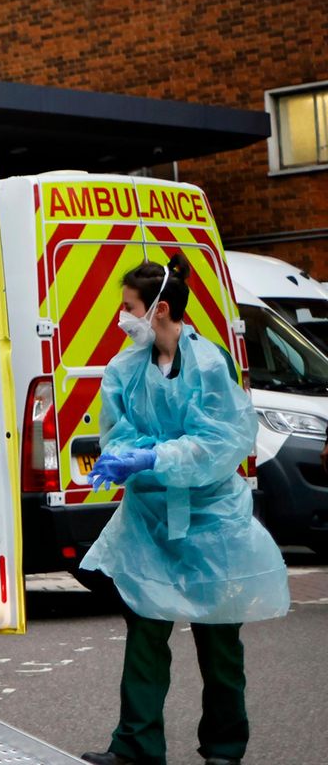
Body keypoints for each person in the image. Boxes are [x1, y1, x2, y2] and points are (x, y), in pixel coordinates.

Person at [77, 256, 289, 765]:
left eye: (128, 307)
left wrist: (152, 455)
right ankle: (135, 746)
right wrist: (136, 454)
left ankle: (223, 748)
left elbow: (217, 445)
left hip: (211, 520)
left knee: (219, 640)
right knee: (145, 630)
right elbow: (119, 432)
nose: (122, 317)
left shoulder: (210, 365)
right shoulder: (125, 368)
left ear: (159, 309)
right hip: (150, 521)